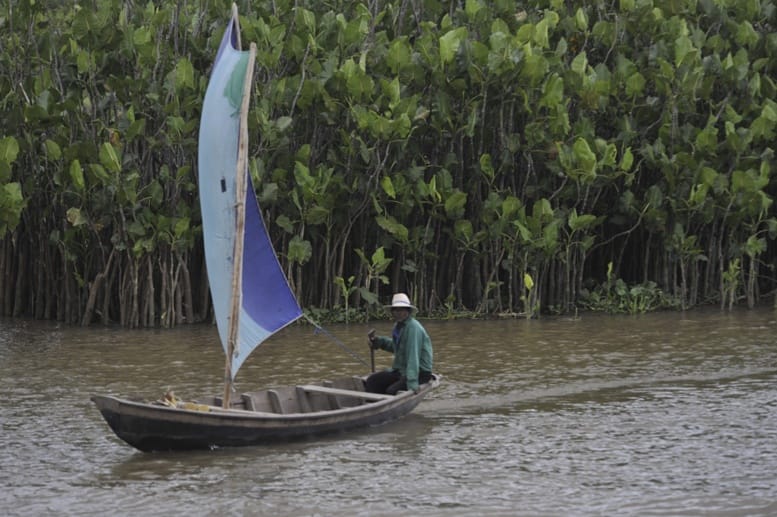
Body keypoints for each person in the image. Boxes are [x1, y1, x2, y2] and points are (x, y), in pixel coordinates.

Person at [365, 293, 434, 395]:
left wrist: (412, 382)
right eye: (396, 310)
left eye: (402, 310)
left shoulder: (413, 328)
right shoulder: (398, 326)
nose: (399, 313)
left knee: (391, 391)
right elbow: (396, 347)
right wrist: (379, 342)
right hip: (402, 370)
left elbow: (413, 356)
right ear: (392, 312)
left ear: (408, 311)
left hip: (419, 372)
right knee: (372, 380)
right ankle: (371, 405)